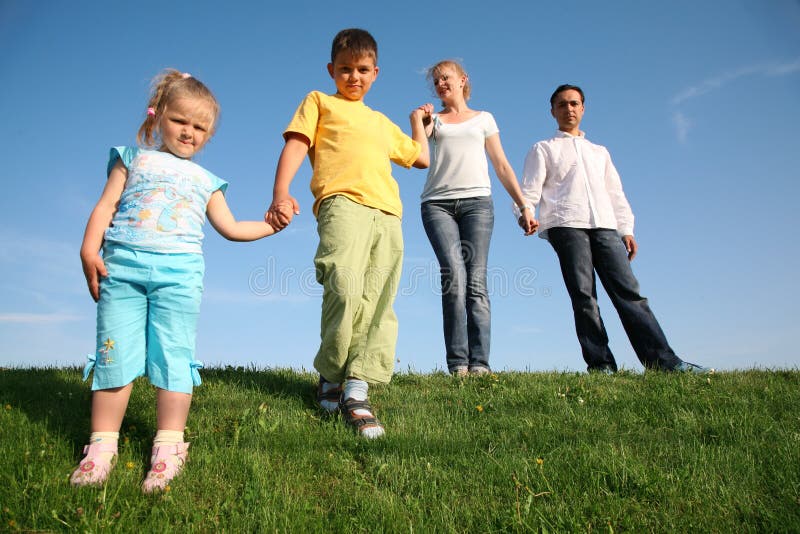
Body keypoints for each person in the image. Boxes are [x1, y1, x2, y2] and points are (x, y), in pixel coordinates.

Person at [71, 69, 288, 491]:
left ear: (208, 135)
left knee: (173, 357)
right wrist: (88, 249)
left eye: (199, 127)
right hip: (123, 270)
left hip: (179, 277)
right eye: (180, 121)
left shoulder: (207, 181)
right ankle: (101, 448)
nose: (188, 132)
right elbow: (104, 206)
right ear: (157, 117)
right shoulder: (132, 159)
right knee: (114, 355)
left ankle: (168, 448)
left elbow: (231, 228)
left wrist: (271, 225)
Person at [265, 29, 430, 438]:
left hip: (388, 214)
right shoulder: (320, 102)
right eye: (345, 69)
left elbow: (421, 157)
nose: (353, 77)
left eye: (362, 70)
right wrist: (281, 192)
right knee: (344, 283)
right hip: (341, 204)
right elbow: (297, 145)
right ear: (331, 70)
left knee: (377, 298)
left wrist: (416, 123)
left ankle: (358, 386)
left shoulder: (381, 122)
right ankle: (332, 376)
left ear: (375, 73)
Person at [517, 84, 710, 374]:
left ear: (582, 108)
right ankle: (601, 364)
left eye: (574, 103)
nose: (568, 109)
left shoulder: (600, 152)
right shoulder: (544, 148)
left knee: (630, 292)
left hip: (606, 225)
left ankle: (663, 362)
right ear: (552, 111)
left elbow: (615, 193)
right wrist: (525, 212)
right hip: (566, 225)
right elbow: (529, 189)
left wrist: (626, 229)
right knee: (584, 296)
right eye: (562, 105)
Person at [416, 60, 537, 377]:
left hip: (478, 205)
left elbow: (501, 165)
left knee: (477, 283)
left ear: (462, 80)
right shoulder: (434, 121)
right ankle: (458, 363)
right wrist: (420, 121)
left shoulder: (484, 119)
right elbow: (417, 152)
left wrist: (523, 205)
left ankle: (480, 363)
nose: (441, 83)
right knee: (454, 279)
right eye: (437, 81)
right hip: (437, 205)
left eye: (446, 78)